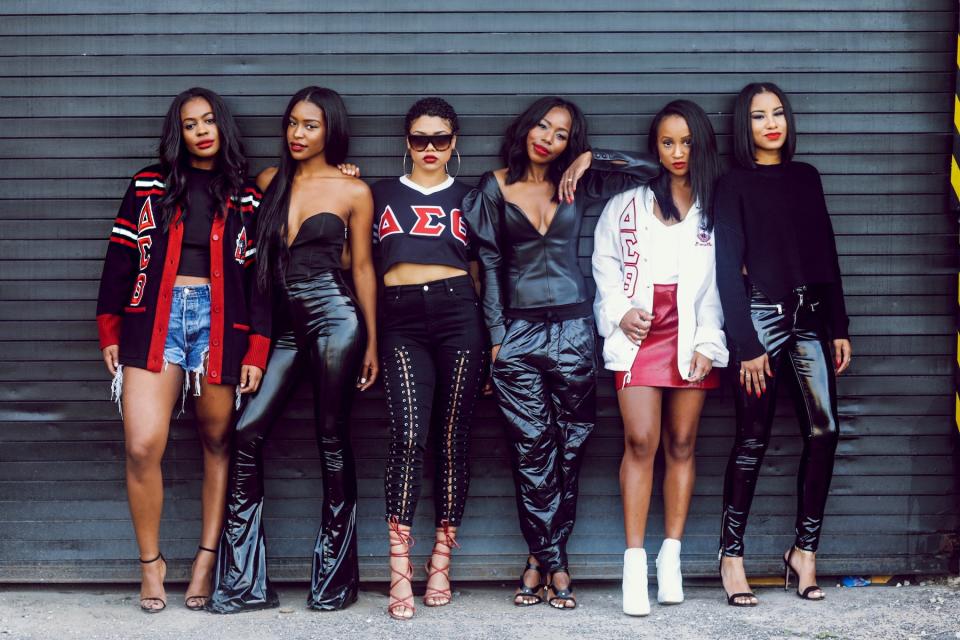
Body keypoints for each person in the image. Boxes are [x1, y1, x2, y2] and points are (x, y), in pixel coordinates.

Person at [464, 96, 658, 610]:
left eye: (562, 133)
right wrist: (497, 339)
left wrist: (592, 159)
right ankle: (558, 564)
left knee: (569, 446)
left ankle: (538, 561)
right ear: (526, 127)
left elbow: (653, 171)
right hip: (519, 335)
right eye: (542, 126)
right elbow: (486, 266)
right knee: (532, 451)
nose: (547, 137)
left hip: (574, 328)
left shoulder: (579, 180)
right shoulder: (494, 187)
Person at [95, 87, 269, 613]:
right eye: (190, 123)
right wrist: (109, 330)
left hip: (223, 324)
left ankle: (204, 561)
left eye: (209, 120)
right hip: (154, 321)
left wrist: (257, 348)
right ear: (179, 132)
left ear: (223, 126)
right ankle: (151, 564)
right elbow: (120, 259)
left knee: (218, 443)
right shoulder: (148, 184)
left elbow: (262, 279)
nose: (201, 130)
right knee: (144, 445)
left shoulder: (247, 194)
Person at [206, 86, 378, 613]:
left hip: (335, 321)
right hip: (280, 328)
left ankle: (333, 583)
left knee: (330, 435)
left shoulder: (355, 191)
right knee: (245, 430)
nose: (298, 135)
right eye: (293, 124)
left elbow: (364, 267)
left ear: (331, 131)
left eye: (311, 125)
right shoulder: (267, 183)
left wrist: (373, 340)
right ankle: (243, 583)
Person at [714, 82, 852, 606]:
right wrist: (744, 343)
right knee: (753, 440)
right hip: (759, 319)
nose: (771, 122)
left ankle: (804, 552)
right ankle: (731, 556)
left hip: (811, 319)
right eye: (757, 116)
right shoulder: (733, 184)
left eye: (777, 113)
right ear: (742, 127)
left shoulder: (806, 178)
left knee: (825, 430)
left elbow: (826, 252)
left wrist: (840, 325)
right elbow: (727, 268)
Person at [592, 100, 728, 616]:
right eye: (667, 142)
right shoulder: (625, 206)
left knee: (682, 441)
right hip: (640, 332)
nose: (677, 153)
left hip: (690, 331)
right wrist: (620, 313)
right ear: (655, 147)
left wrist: (707, 341)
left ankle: (670, 558)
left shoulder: (716, 207)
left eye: (687, 142)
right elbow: (604, 266)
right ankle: (634, 565)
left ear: (701, 146)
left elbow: (719, 284)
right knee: (640, 439)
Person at [370, 97, 486, 620]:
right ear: (406, 142)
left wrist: (498, 336)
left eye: (441, 139)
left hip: (460, 313)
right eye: (421, 139)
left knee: (452, 436)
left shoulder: (473, 196)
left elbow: (487, 270)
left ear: (455, 142)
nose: (431, 148)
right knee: (409, 433)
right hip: (400, 318)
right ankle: (400, 566)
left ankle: (442, 556)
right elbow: (364, 271)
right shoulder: (376, 195)